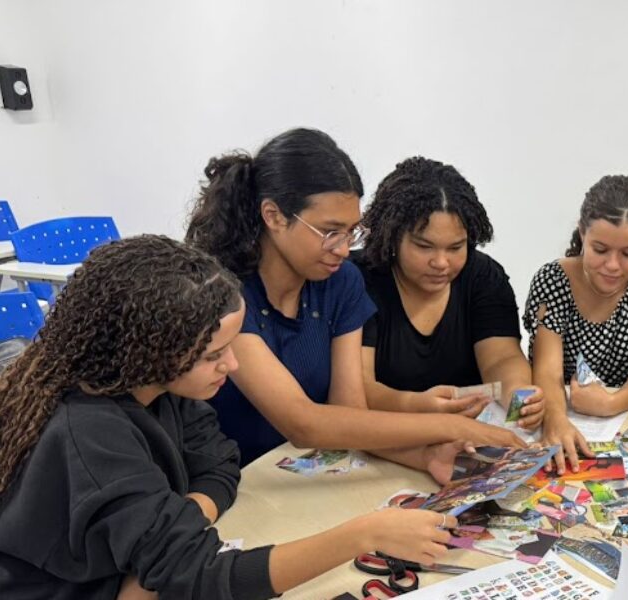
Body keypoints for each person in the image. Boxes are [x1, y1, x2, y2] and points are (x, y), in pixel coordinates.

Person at [0, 236, 460, 599]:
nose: (232, 366)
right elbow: (198, 578)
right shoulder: (90, 432)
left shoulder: (160, 385)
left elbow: (219, 461)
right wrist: (364, 534)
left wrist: (183, 522)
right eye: (215, 355)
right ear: (149, 351)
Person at [186, 128, 521, 465]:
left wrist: (425, 457)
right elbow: (304, 424)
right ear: (273, 215)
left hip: (303, 472)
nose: (345, 249)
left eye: (352, 232)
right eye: (330, 232)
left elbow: (349, 415)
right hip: (228, 479)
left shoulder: (340, 281)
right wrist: (446, 426)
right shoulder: (225, 294)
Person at [354, 156, 543, 429]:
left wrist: (519, 396)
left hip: (467, 436)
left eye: (456, 248)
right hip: (385, 435)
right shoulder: (358, 280)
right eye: (424, 246)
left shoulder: (483, 276)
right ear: (392, 236)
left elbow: (502, 358)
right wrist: (416, 405)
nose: (441, 263)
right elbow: (357, 388)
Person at [524, 175, 628, 473]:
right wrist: (556, 419)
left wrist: (611, 402)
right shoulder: (552, 280)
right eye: (600, 250)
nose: (612, 265)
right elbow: (546, 370)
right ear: (582, 232)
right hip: (571, 417)